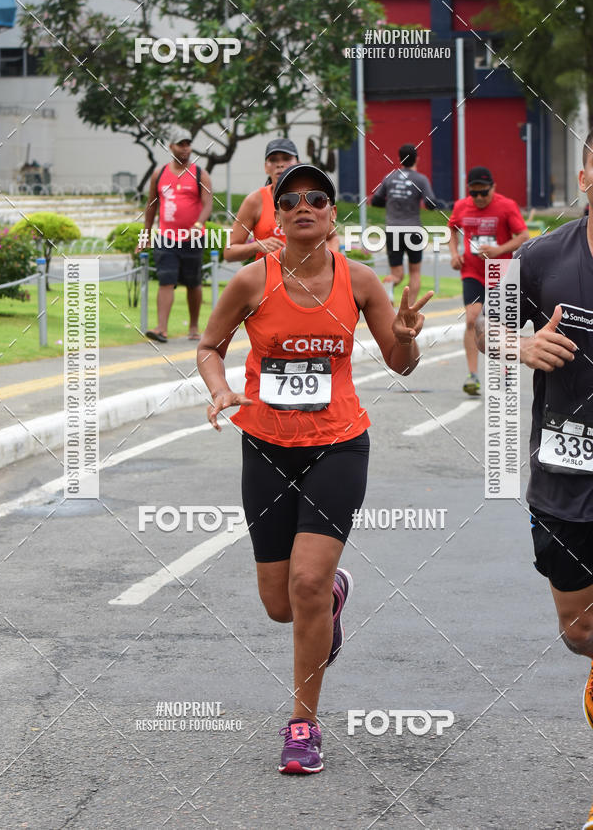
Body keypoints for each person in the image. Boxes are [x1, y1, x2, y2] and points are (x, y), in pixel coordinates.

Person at [197, 163, 432, 774]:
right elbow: (208, 346)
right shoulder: (252, 281)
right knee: (280, 603)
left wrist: (407, 338)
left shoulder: (359, 282)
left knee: (304, 585)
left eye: (317, 199)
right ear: (277, 214)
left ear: (332, 215)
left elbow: (401, 364)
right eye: (291, 199)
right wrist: (220, 387)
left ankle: (303, 723)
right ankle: (333, 595)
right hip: (267, 448)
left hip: (339, 446)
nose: (304, 206)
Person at [476, 133, 593, 830]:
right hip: (564, 476)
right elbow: (488, 322)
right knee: (579, 631)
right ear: (585, 173)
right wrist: (519, 342)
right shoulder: (545, 255)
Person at [449, 166, 529, 395]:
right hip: (472, 272)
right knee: (472, 319)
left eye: (484, 192)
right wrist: (454, 254)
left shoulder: (506, 206)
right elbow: (452, 229)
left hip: (500, 272)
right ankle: (472, 375)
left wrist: (498, 250)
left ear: (493, 187)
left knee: (500, 324)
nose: (480, 198)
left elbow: (524, 236)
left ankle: (505, 371)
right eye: (474, 193)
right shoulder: (460, 207)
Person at [141, 126, 213, 343]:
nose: (185, 148)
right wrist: (146, 234)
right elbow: (151, 206)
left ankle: (193, 327)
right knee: (166, 280)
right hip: (165, 237)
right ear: (170, 146)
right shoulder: (159, 174)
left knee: (193, 283)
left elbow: (208, 204)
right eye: (181, 144)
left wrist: (199, 224)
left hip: (193, 238)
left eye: (188, 144)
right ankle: (161, 328)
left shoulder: (201, 174)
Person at [223, 138, 339, 262]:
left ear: (298, 163)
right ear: (265, 167)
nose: (280, 164)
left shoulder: (312, 196)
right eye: (273, 160)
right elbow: (229, 252)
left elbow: (332, 237)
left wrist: (324, 261)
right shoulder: (255, 200)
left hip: (310, 277)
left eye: (286, 158)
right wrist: (257, 246)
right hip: (268, 278)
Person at [371, 143, 438, 305]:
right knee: (415, 273)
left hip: (393, 230)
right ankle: (410, 308)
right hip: (413, 229)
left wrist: (392, 202)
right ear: (417, 159)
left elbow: (376, 201)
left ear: (399, 159)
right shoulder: (421, 180)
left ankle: (388, 290)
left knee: (397, 274)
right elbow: (431, 203)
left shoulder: (390, 177)